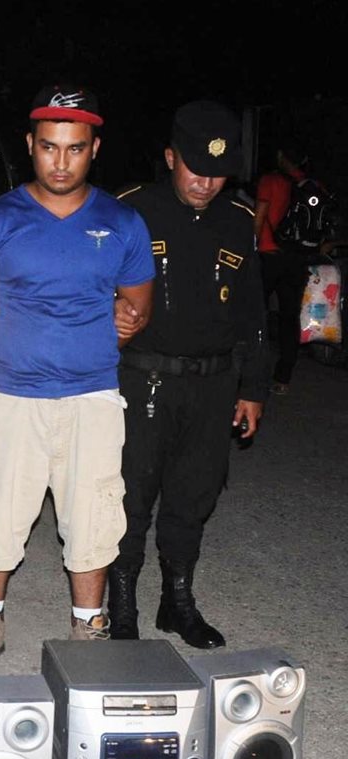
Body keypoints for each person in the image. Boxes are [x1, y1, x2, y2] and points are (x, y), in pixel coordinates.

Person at [0, 84, 155, 675]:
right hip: (12, 396)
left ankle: (87, 631)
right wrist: (14, 355)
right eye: (48, 147)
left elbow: (137, 306)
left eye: (74, 148)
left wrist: (97, 340)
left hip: (92, 396)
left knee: (93, 512)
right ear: (30, 146)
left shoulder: (122, 221)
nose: (60, 161)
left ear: (94, 148)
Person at [110, 101, 269, 647]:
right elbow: (88, 284)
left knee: (193, 496)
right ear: (170, 157)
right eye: (195, 168)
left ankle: (177, 601)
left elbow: (253, 313)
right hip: (144, 379)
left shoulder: (239, 220)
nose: (206, 182)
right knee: (131, 496)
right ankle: (121, 603)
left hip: (213, 382)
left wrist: (253, 388)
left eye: (217, 173)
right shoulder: (130, 211)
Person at [256, 145, 321, 394]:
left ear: (281, 157)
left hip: (269, 256)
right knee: (289, 316)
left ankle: (254, 372)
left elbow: (260, 215)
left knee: (255, 314)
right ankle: (283, 377)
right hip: (297, 259)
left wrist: (254, 243)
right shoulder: (312, 186)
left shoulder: (270, 180)